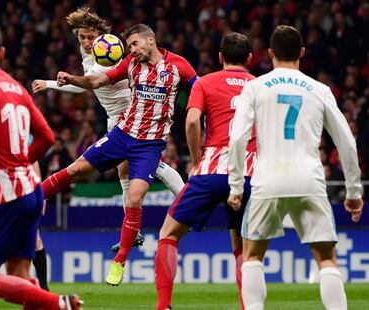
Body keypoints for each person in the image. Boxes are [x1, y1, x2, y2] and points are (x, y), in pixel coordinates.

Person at [43, 23, 198, 286]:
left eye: (135, 44)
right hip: (123, 134)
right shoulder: (128, 64)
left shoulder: (179, 65)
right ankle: (30, 197)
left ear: (151, 40)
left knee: (135, 199)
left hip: (149, 145)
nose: (132, 50)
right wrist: (70, 79)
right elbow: (96, 81)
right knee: (75, 170)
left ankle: (119, 263)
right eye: (129, 46)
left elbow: (201, 91)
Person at [227, 25, 364, 310]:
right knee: (326, 258)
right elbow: (347, 143)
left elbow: (238, 137)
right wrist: (353, 191)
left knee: (252, 256)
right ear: (302, 52)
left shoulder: (254, 87)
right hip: (309, 180)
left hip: (268, 180)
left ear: (269, 53)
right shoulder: (320, 89)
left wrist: (236, 185)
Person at [0, 22, 82, 309]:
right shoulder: (16, 87)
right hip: (32, 189)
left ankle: (58, 304)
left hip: (6, 193)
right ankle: (53, 302)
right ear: (1, 53)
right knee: (20, 275)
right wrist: (22, 162)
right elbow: (48, 136)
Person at [154, 32, 256, 310]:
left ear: (220, 57)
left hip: (211, 169)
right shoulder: (261, 86)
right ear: (249, 59)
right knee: (244, 249)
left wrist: (197, 159)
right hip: (250, 173)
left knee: (169, 233)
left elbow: (191, 122)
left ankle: (163, 306)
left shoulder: (205, 82)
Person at [0, 157, 50, 305]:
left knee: (36, 241)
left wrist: (40, 190)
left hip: (21, 197)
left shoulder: (19, 137)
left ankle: (45, 292)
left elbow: (33, 161)